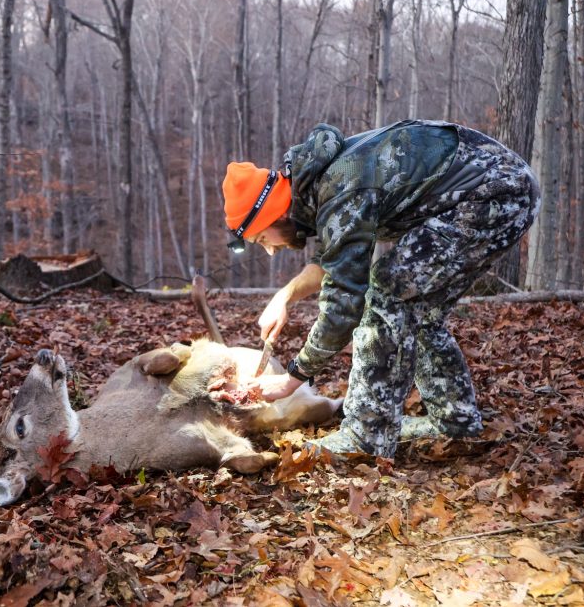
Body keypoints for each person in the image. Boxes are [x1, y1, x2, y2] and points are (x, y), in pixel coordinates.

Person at [218, 120, 540, 458]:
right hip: (495, 189)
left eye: (261, 239)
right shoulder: (318, 185)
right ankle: (454, 422)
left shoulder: (342, 185)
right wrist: (284, 296)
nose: (269, 250)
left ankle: (367, 436)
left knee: (386, 291)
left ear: (274, 214)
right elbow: (332, 259)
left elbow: (344, 305)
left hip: (497, 192)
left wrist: (293, 377)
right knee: (419, 309)